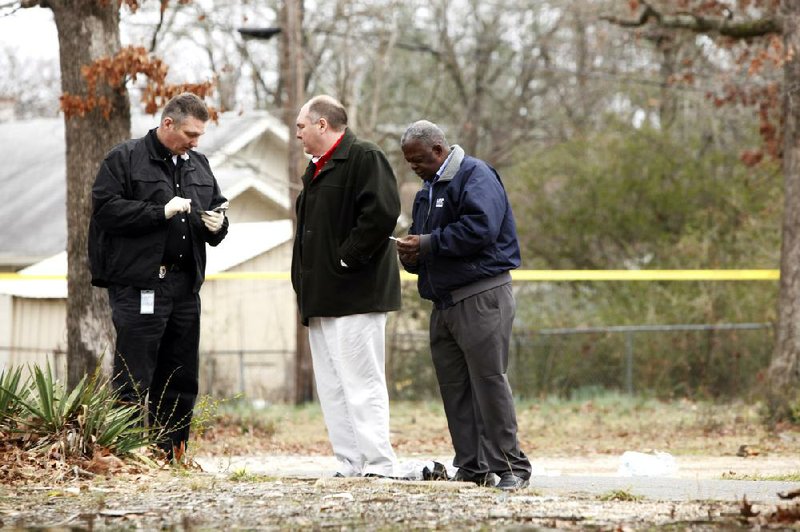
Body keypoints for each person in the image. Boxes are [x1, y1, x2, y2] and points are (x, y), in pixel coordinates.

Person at [88, 92, 229, 460]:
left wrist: (218, 225)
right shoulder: (125, 158)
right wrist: (159, 212)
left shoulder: (198, 165)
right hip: (140, 285)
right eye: (190, 133)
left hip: (184, 286)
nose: (195, 142)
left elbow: (215, 209)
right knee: (135, 375)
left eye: (199, 135)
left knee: (180, 377)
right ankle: (127, 454)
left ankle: (171, 454)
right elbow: (106, 210)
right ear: (167, 124)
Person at [396, 120, 532, 491]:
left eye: (419, 160)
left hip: (481, 296)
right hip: (444, 303)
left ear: (438, 150)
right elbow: (428, 242)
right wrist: (411, 255)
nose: (414, 167)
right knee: (455, 387)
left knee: (488, 382)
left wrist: (426, 245)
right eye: (409, 162)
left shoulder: (475, 175)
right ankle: (472, 466)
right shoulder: (426, 192)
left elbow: (480, 229)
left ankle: (512, 467)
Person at [291, 95, 402, 478]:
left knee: (362, 382)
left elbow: (383, 212)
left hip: (356, 294)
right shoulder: (317, 168)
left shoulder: (364, 157)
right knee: (334, 386)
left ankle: (379, 464)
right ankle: (350, 462)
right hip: (321, 297)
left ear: (323, 125)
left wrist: (346, 258)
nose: (298, 134)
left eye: (302, 126)